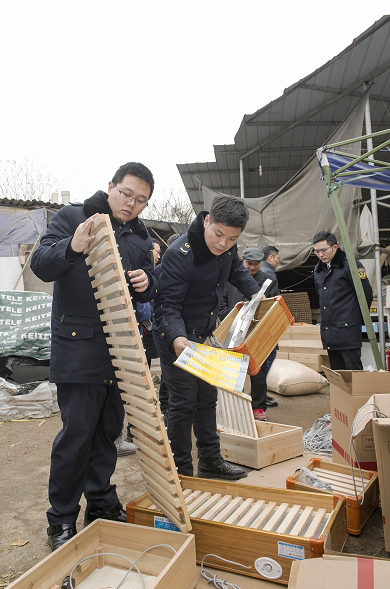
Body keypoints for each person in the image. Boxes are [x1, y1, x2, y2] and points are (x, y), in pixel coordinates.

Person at [30, 162, 158, 551]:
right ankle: (61, 519)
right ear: (111, 186)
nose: (132, 204)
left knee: (107, 433)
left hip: (121, 350)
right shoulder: (73, 218)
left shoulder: (139, 236)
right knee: (77, 435)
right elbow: (41, 263)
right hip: (78, 346)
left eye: (141, 200)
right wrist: (73, 246)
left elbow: (150, 290)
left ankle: (100, 501)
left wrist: (147, 282)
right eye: (126, 194)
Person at [153, 195, 260, 479]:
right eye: (218, 234)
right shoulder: (179, 254)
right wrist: (177, 338)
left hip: (204, 334)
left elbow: (237, 271)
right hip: (176, 336)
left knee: (207, 397)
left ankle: (211, 461)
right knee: (184, 401)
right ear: (207, 220)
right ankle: (182, 471)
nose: (223, 244)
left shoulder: (227, 250)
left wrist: (258, 295)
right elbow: (167, 307)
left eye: (232, 239)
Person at [219, 248, 276, 422]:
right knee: (234, 369)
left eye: (256, 264)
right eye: (249, 263)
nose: (252, 267)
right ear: (242, 260)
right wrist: (229, 320)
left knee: (258, 371)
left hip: (257, 332)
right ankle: (237, 404)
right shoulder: (231, 278)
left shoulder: (269, 280)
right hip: (234, 331)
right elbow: (221, 301)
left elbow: (274, 305)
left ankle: (258, 406)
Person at [313, 231, 373, 370]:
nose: (321, 255)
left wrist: (357, 319)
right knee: (337, 373)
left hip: (348, 329)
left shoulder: (351, 265)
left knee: (353, 372)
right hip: (329, 330)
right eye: (317, 251)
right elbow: (321, 296)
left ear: (335, 247)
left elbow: (365, 294)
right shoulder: (319, 270)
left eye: (323, 250)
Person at [261, 245, 281, 403]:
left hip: (260, 324)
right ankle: (260, 394)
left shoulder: (262, 272)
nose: (278, 262)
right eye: (277, 258)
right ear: (270, 258)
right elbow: (274, 303)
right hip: (267, 325)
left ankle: (261, 393)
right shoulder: (269, 274)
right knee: (267, 358)